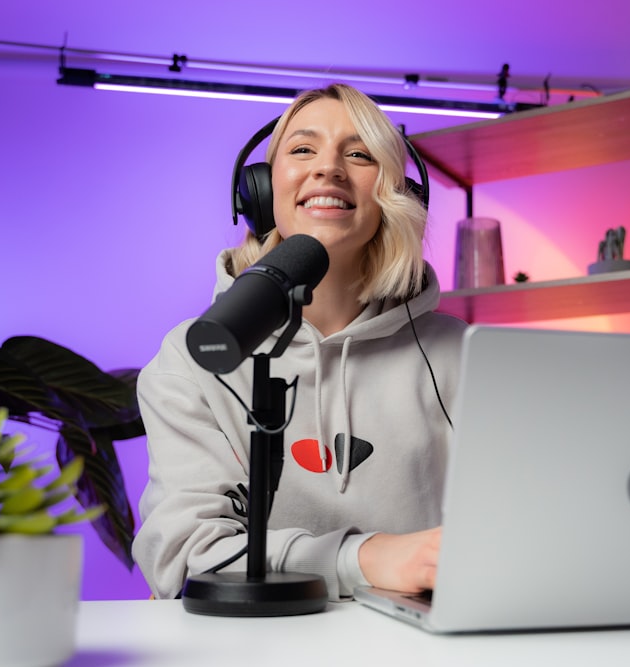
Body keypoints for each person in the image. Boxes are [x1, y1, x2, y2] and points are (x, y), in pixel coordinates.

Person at [133, 83, 468, 601]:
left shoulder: (461, 355)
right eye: (303, 149)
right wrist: (365, 557)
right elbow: (181, 556)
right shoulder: (192, 359)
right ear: (262, 191)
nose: (328, 168)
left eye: (359, 154)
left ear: (395, 196)